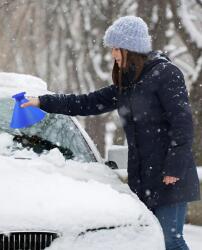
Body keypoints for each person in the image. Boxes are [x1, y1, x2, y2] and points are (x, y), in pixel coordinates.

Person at [21, 16, 200, 249]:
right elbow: (85, 103)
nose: (113, 54)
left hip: (170, 177)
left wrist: (174, 168)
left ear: (131, 48)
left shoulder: (166, 74)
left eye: (117, 48)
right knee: (151, 243)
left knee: (171, 241)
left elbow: (183, 123)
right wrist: (40, 101)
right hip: (144, 178)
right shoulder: (127, 84)